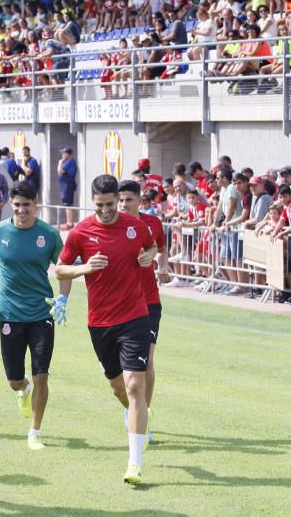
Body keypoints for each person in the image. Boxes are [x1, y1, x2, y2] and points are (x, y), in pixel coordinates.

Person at [55, 175, 156, 485]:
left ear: (118, 200)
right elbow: (60, 268)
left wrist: (148, 257)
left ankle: (134, 463)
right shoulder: (81, 231)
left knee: (135, 386)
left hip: (136, 316)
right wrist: (85, 268)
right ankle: (134, 416)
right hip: (100, 322)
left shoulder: (135, 226)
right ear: (92, 202)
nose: (106, 211)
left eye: (111, 205)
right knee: (117, 388)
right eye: (100, 206)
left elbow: (151, 248)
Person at [0, 181, 70, 450]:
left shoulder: (49, 234)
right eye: (17, 205)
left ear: (36, 204)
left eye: (26, 206)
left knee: (42, 373)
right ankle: (23, 390)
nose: (21, 210)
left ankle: (35, 431)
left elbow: (64, 269)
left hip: (42, 313)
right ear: (11, 204)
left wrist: (63, 297)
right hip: (9, 314)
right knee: (14, 379)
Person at [117, 180, 166, 435]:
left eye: (128, 200)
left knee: (146, 362)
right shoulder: (111, 226)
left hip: (148, 301)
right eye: (120, 200)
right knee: (117, 372)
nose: (124, 205)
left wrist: (162, 264)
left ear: (140, 201)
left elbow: (160, 246)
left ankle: (142, 412)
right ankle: (132, 406)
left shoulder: (152, 224)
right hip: (118, 304)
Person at [57, 147, 78, 229]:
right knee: (68, 205)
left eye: (63, 153)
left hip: (68, 186)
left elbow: (60, 171)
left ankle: (69, 223)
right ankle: (69, 222)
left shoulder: (69, 162)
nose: (62, 155)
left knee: (68, 205)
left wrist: (60, 162)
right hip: (66, 186)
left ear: (67, 154)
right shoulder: (69, 162)